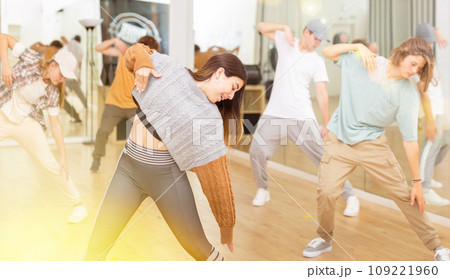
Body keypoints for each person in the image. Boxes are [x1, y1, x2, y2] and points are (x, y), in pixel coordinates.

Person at [85, 42, 247, 260]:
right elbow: (136, 50)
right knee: (98, 242)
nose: (231, 96)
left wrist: (226, 226)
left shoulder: (210, 118)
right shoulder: (170, 69)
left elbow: (217, 177)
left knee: (199, 248)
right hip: (128, 170)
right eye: (234, 87)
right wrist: (142, 64)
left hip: (166, 178)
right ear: (220, 73)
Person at [302, 38, 449, 261]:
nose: (414, 71)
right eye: (412, 63)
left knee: (404, 194)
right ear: (402, 53)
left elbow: (410, 141)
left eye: (419, 68)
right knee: (327, 192)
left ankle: (437, 247)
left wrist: (418, 182)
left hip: (373, 145)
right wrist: (356, 46)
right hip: (339, 139)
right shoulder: (362, 61)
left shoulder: (407, 94)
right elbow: (327, 51)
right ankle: (324, 238)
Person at [249, 20, 360, 217]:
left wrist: (325, 123)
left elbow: (322, 92)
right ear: (306, 33)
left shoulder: (316, 61)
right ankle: (263, 189)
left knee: (323, 160)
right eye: (316, 38)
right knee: (256, 151)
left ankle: (350, 196)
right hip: (274, 113)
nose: (318, 43)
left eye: (321, 40)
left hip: (301, 116)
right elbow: (261, 27)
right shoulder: (286, 41)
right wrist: (284, 27)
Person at [0, 33, 88, 223]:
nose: (63, 79)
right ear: (53, 65)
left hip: (27, 123)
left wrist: (63, 156)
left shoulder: (53, 93)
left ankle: (79, 205)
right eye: (62, 74)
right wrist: (5, 65)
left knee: (50, 163)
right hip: (3, 113)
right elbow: (3, 38)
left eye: (66, 77)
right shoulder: (32, 59)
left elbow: (55, 125)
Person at [90, 36, 160, 172]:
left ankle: (143, 165)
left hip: (134, 106)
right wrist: (115, 40)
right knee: (103, 131)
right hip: (114, 103)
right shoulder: (124, 55)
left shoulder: (152, 65)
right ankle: (96, 160)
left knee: (143, 136)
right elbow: (98, 48)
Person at [415, 23, 450, 206]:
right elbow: (423, 92)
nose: (431, 44)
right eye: (429, 42)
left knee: (445, 142)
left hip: (440, 106)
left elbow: (432, 26)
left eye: (432, 42)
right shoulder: (417, 57)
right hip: (429, 109)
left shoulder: (428, 50)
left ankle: (427, 172)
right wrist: (429, 120)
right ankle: (424, 188)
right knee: (431, 144)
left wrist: (438, 35)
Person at [30, 39, 83, 123]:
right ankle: (76, 117)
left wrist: (38, 43)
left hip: (50, 80)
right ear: (55, 46)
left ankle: (76, 117)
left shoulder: (51, 52)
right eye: (57, 49)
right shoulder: (48, 50)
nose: (56, 50)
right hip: (45, 79)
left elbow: (32, 47)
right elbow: (31, 48)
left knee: (60, 101)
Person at [62, 35, 88, 114]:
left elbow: (63, 37)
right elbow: (80, 65)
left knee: (61, 90)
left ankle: (65, 108)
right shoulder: (81, 49)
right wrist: (79, 77)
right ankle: (86, 107)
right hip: (75, 74)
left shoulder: (73, 43)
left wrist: (69, 40)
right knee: (78, 92)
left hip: (68, 73)